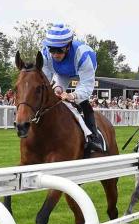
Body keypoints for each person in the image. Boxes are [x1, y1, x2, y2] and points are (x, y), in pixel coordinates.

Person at [39, 23, 105, 154]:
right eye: (52, 49)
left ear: (68, 46)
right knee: (53, 95)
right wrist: (56, 88)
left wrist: (72, 96)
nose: (55, 54)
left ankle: (94, 138)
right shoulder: (45, 53)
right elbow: (45, 78)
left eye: (60, 50)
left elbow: (86, 85)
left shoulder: (83, 55)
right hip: (61, 73)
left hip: (81, 70)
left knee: (81, 101)